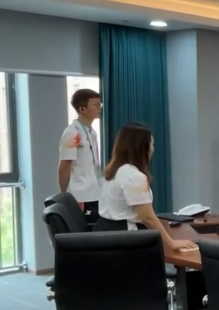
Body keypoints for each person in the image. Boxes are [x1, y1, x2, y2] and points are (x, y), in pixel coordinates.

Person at [95, 122, 195, 253]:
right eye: (151, 144)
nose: (153, 149)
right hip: (125, 238)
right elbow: (147, 217)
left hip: (106, 233)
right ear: (141, 148)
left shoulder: (115, 171)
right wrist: (171, 242)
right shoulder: (133, 176)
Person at [58, 89, 103, 224]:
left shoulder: (92, 132)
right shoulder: (72, 133)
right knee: (87, 228)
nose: (99, 108)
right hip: (81, 195)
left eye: (99, 104)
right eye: (95, 105)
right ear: (82, 109)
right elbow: (64, 166)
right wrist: (64, 196)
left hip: (96, 192)